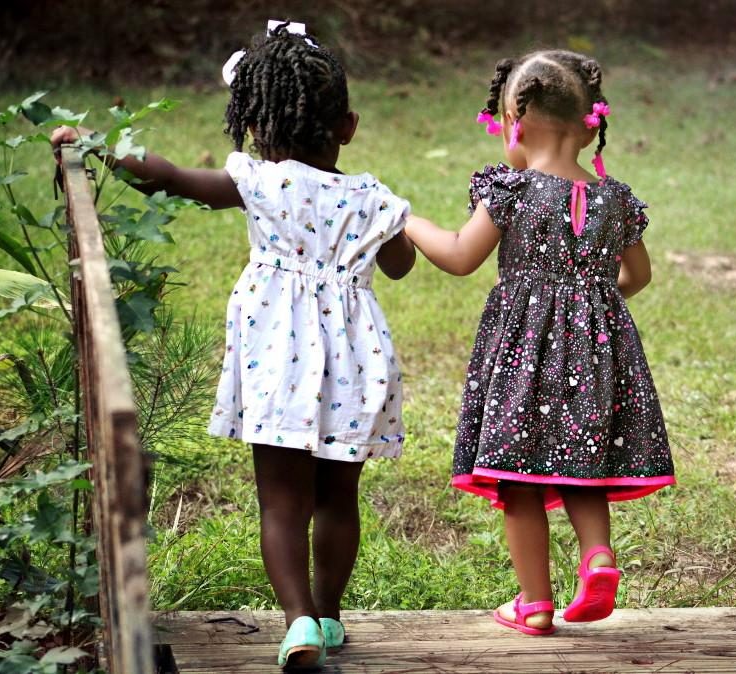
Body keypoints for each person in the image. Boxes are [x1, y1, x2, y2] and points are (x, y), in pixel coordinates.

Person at [52, 21, 416, 669]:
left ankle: (298, 621)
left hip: (277, 357)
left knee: (282, 503)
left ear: (252, 125)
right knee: (339, 498)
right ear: (348, 126)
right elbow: (399, 266)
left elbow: (165, 177)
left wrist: (97, 145)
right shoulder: (371, 198)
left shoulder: (256, 181)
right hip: (356, 364)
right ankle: (330, 616)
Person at [406, 50, 675, 635]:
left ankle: (534, 602)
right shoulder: (617, 199)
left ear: (515, 124)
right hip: (597, 356)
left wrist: (406, 221)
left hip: (523, 359)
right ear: (589, 124)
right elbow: (638, 276)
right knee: (584, 462)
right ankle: (597, 556)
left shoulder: (512, 191)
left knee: (520, 477)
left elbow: (458, 256)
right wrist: (594, 306)